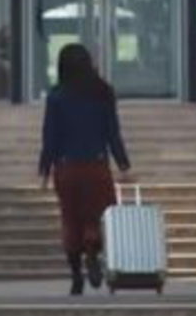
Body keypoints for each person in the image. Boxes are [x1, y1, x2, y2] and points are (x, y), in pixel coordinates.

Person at [39, 42, 133, 296]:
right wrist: (123, 165)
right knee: (98, 215)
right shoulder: (103, 92)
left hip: (67, 167)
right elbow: (113, 132)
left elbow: (50, 136)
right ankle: (92, 251)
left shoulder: (56, 96)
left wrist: (44, 170)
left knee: (70, 218)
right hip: (96, 165)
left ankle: (75, 275)